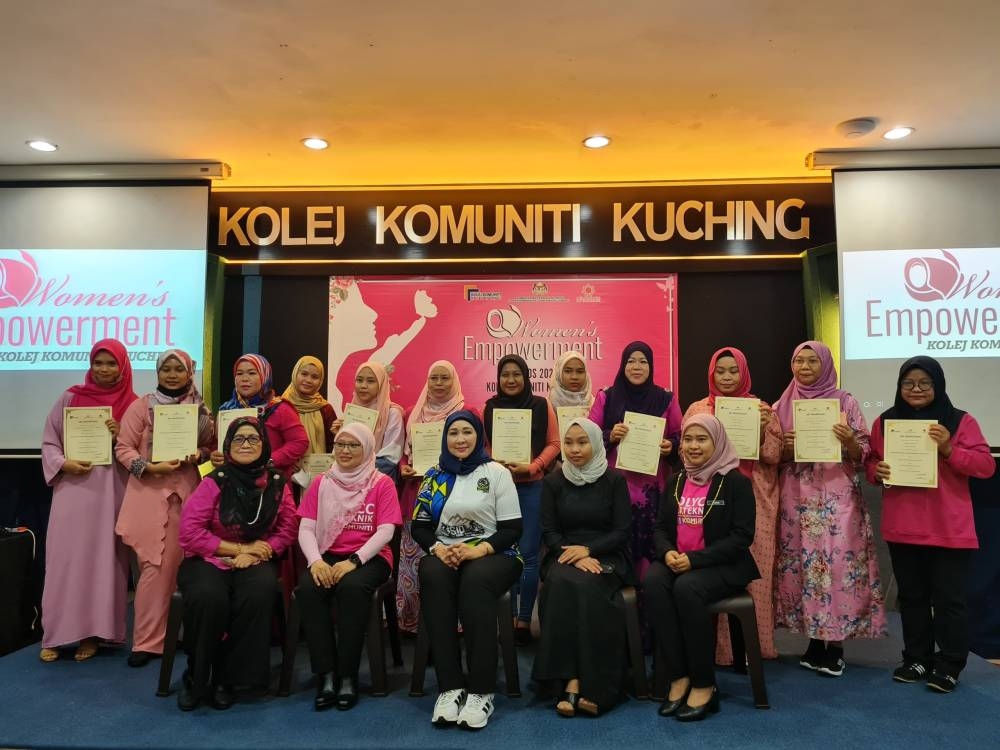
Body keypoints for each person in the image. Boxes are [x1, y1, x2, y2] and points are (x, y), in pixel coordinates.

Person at [865, 356, 994, 693]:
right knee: (912, 598)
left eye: (925, 383)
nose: (917, 389)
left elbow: (984, 466)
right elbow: (872, 461)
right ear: (899, 386)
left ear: (938, 385)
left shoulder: (960, 421)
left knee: (950, 601)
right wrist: (875, 471)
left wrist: (950, 448)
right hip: (902, 527)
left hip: (948, 529)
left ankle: (950, 663)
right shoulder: (885, 422)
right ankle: (917, 658)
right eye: (909, 383)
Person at [774, 341, 887, 677]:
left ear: (825, 364)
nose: (804, 367)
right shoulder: (782, 404)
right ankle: (812, 641)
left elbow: (863, 451)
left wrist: (849, 441)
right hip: (797, 497)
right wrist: (785, 447)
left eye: (812, 361)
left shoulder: (844, 401)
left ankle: (835, 646)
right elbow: (768, 454)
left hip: (838, 500)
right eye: (798, 361)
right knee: (804, 568)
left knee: (837, 568)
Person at [176, 417, 298, 711]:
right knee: (209, 597)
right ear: (228, 446)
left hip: (256, 560)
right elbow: (189, 532)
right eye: (239, 439)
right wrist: (239, 548)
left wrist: (261, 551)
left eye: (253, 439)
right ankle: (197, 674)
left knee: (258, 591)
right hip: (209, 558)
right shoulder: (214, 481)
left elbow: (288, 529)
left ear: (265, 444)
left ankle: (228, 679)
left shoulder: (278, 483)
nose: (246, 445)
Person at [412, 411, 523, 730]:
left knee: (476, 581)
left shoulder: (497, 472)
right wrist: (438, 549)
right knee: (431, 573)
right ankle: (451, 687)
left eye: (467, 432)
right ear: (445, 438)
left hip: (496, 552)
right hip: (446, 552)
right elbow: (420, 526)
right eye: (453, 433)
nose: (460, 439)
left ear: (479, 436)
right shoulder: (434, 475)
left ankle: (481, 690)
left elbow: (513, 528)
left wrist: (479, 550)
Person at [644, 414, 759, 721]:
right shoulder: (676, 479)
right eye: (689, 440)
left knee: (686, 587)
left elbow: (741, 537)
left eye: (702, 439)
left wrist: (695, 560)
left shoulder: (736, 482)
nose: (693, 446)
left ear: (717, 441)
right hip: (678, 560)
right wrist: (668, 553)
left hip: (723, 565)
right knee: (653, 582)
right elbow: (660, 529)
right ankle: (679, 674)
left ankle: (704, 683)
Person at [114, 349, 215, 667]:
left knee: (185, 568)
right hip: (149, 495)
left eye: (178, 370)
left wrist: (198, 455)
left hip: (187, 495)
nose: (172, 375)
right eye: (165, 370)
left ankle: (179, 635)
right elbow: (123, 448)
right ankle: (147, 642)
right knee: (153, 568)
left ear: (190, 373)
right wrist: (148, 467)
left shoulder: (200, 410)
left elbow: (210, 448)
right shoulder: (141, 406)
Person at [39, 339, 137, 662]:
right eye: (99, 363)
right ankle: (54, 634)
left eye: (111, 364)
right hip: (72, 489)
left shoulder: (134, 404)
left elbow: (141, 451)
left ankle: (93, 634)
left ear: (122, 367)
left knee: (102, 563)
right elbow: (50, 440)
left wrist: (119, 434)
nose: (104, 370)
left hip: (112, 493)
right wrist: (62, 463)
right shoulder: (70, 397)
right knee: (64, 562)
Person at [683, 347, 781, 662]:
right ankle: (716, 650)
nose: (726, 377)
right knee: (712, 565)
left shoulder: (761, 408)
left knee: (756, 571)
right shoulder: (698, 408)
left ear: (743, 373)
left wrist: (764, 428)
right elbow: (687, 454)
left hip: (755, 496)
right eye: (720, 371)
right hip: (710, 499)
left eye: (733, 371)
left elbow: (774, 456)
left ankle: (756, 647)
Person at [296, 423, 402, 710]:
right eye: (340, 444)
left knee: (353, 589)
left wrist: (354, 561)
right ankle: (326, 674)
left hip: (370, 557)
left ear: (367, 448)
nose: (344, 450)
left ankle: (347, 676)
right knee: (308, 588)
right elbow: (306, 529)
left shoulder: (382, 483)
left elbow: (386, 532)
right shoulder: (321, 482)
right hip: (327, 554)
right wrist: (315, 562)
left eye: (353, 445)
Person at [532, 417, 632, 717]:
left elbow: (622, 531)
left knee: (586, 586)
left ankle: (593, 686)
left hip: (607, 554)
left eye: (582, 442)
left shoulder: (615, 481)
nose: (574, 449)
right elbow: (549, 531)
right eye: (569, 443)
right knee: (562, 583)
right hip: (563, 554)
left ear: (597, 443)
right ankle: (573, 681)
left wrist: (589, 550)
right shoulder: (553, 482)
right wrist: (574, 553)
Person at [588, 341, 682, 582]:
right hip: (615, 487)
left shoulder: (666, 399)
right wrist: (610, 435)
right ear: (623, 365)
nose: (637, 367)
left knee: (650, 552)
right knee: (618, 548)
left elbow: (680, 435)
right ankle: (618, 611)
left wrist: (671, 445)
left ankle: (646, 612)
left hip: (653, 489)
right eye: (631, 361)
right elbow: (586, 436)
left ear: (651, 366)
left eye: (643, 361)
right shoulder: (606, 397)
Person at [483, 354, 560, 644]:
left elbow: (555, 444)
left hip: (532, 488)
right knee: (504, 554)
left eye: (517, 374)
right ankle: (506, 616)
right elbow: (485, 447)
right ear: (499, 378)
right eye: (505, 375)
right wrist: (495, 462)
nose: (511, 380)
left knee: (528, 555)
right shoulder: (489, 408)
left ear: (526, 377)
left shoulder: (541, 405)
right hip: (499, 489)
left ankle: (524, 620)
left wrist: (534, 466)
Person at [397, 360, 471, 633]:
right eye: (434, 378)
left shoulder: (466, 411)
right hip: (416, 493)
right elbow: (404, 454)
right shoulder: (411, 413)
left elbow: (475, 453)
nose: (439, 384)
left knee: (450, 560)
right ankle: (414, 622)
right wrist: (402, 468)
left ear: (454, 381)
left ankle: (456, 624)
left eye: (445, 378)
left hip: (454, 496)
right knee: (416, 558)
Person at [213, 353, 309, 478]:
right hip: (232, 482)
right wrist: (215, 456)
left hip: (270, 483)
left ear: (265, 376)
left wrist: (269, 460)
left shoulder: (280, 408)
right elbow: (216, 445)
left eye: (252, 373)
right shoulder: (225, 410)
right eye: (239, 373)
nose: (244, 379)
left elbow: (299, 442)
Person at [332, 361, 405, 479]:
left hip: (378, 481)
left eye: (370, 381)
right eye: (359, 380)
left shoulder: (392, 413)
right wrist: (339, 436)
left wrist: (357, 471)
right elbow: (342, 453)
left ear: (381, 384)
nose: (363, 386)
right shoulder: (352, 411)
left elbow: (391, 456)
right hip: (346, 481)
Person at [281, 355, 337, 484]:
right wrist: (288, 462)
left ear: (321, 380)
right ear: (295, 374)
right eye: (304, 374)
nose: (308, 380)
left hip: (319, 475)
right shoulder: (280, 406)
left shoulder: (326, 409)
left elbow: (332, 444)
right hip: (286, 474)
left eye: (314, 377)